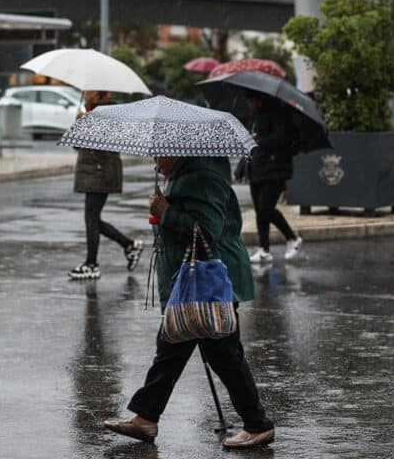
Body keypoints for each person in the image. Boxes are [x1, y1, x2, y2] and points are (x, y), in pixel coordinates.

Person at [104, 156, 275, 449]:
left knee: (223, 353)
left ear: (178, 151)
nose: (156, 159)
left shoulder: (204, 175)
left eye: (160, 153)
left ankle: (257, 424)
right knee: (171, 348)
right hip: (191, 281)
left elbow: (207, 231)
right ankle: (146, 418)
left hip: (208, 281)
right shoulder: (187, 172)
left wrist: (166, 212)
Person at [69, 90, 142, 280]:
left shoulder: (108, 113)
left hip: (101, 172)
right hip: (94, 172)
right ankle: (129, 245)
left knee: (91, 218)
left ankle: (92, 264)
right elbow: (77, 145)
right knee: (93, 219)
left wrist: (84, 123)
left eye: (88, 92)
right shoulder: (91, 112)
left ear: (98, 94)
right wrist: (79, 123)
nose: (84, 94)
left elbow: (101, 143)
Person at [244, 93, 302, 263]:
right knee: (260, 211)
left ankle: (292, 238)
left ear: (259, 101)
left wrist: (258, 140)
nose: (248, 104)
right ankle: (264, 249)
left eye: (251, 101)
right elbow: (251, 146)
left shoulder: (277, 116)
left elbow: (280, 139)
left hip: (274, 170)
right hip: (256, 170)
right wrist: (242, 169)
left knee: (266, 209)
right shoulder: (253, 118)